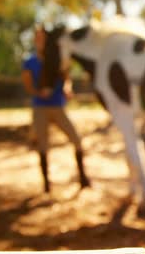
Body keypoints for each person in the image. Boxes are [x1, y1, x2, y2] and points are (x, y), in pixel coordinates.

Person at [22, 25, 90, 193]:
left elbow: (66, 78)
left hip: (59, 107)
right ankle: (46, 185)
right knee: (43, 147)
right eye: (37, 37)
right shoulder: (29, 61)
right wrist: (39, 92)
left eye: (42, 37)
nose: (40, 40)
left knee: (77, 141)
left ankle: (83, 178)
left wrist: (67, 88)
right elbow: (28, 86)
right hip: (40, 109)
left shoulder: (57, 58)